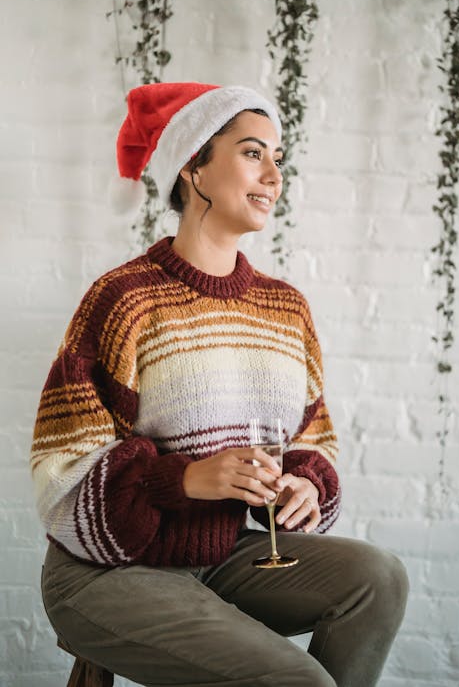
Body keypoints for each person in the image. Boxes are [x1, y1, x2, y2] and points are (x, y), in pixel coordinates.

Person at [32, 82, 408, 687]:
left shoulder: (285, 309)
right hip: (109, 569)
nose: (273, 176)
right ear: (193, 170)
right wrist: (177, 477)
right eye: (253, 153)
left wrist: (305, 483)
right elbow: (63, 465)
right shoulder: (125, 300)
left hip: (224, 554)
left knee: (379, 578)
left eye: (278, 159)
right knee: (298, 681)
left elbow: (315, 439)